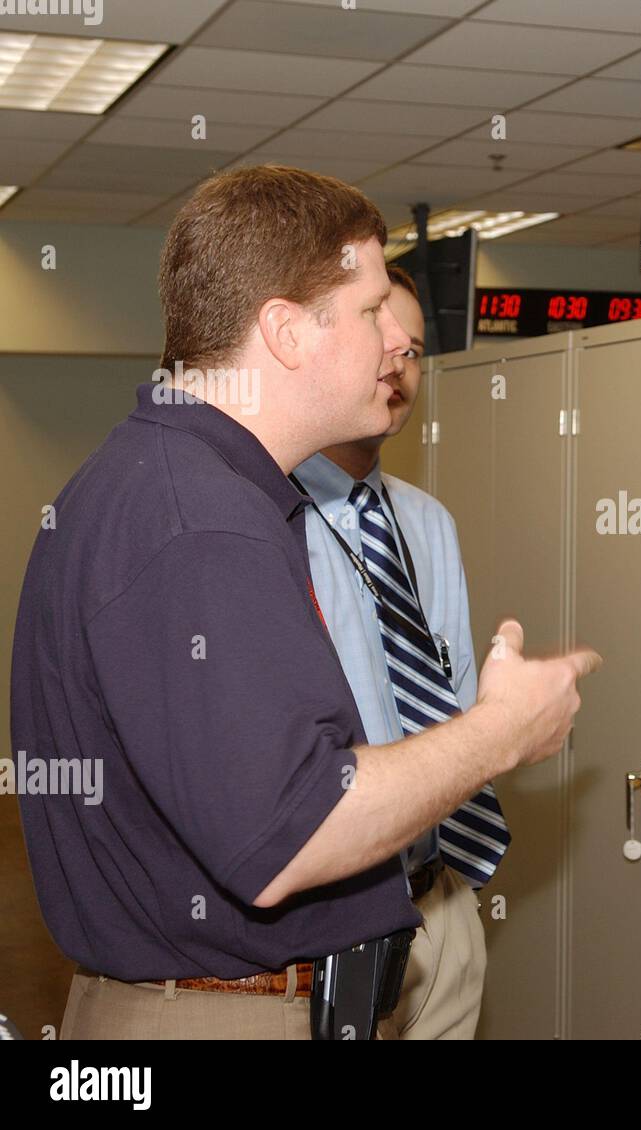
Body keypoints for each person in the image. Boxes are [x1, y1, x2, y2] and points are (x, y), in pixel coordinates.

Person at [11, 164, 599, 1040]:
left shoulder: (173, 484)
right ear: (285, 332)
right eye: (369, 312)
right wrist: (501, 733)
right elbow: (296, 830)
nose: (395, 341)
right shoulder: (200, 523)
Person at [291, 264, 492, 1039]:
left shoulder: (428, 521)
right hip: (344, 910)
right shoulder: (276, 518)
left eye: (411, 352)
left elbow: (454, 693)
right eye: (380, 339)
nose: (397, 367)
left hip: (442, 895)